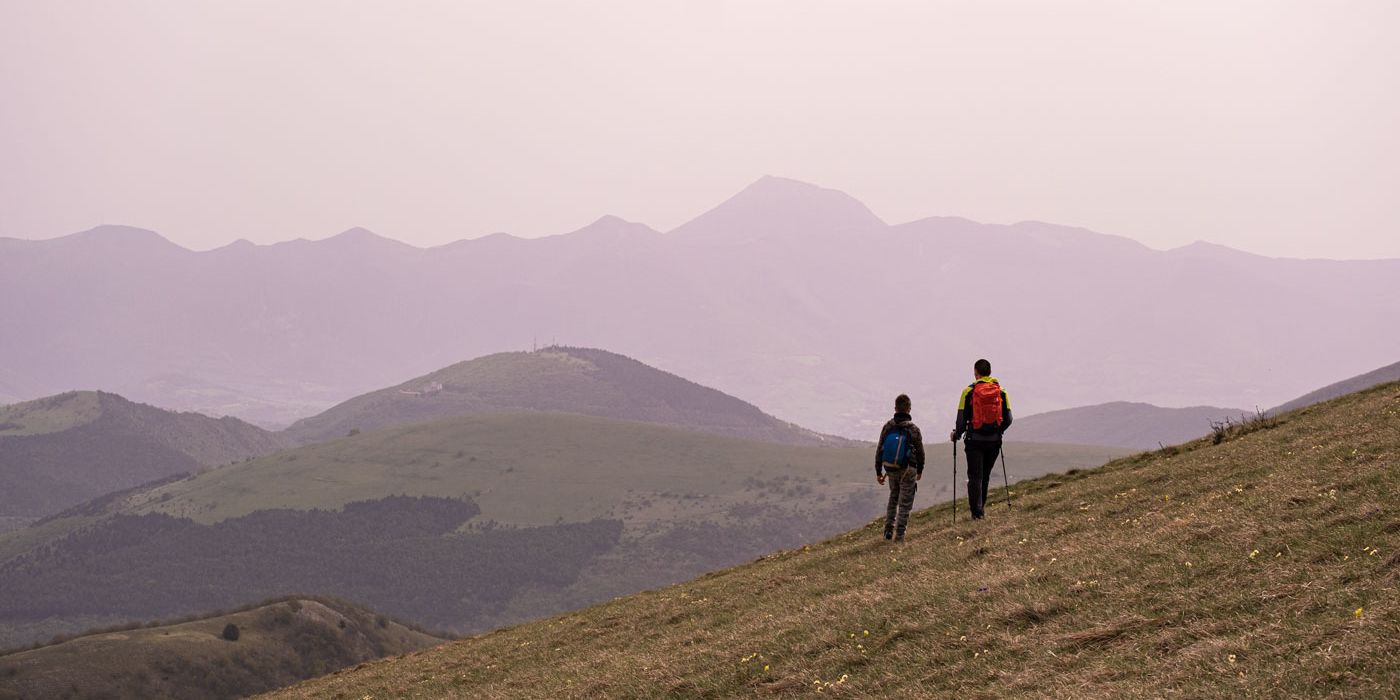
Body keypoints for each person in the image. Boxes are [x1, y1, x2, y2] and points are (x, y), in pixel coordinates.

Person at [949, 359, 1013, 520]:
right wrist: (999, 431)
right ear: (989, 372)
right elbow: (1009, 418)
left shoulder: (968, 392)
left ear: (976, 373)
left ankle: (977, 514)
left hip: (974, 441)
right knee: (985, 476)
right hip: (994, 441)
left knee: (975, 477)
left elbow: (961, 421)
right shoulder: (1002, 392)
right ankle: (981, 508)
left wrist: (956, 435)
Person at [876, 394, 925, 542]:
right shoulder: (913, 429)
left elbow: (879, 449)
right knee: (905, 503)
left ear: (895, 408)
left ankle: (888, 530)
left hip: (891, 469)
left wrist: (879, 472)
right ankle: (900, 536)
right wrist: (920, 469)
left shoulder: (888, 426)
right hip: (908, 469)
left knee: (893, 497)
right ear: (909, 409)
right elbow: (920, 451)